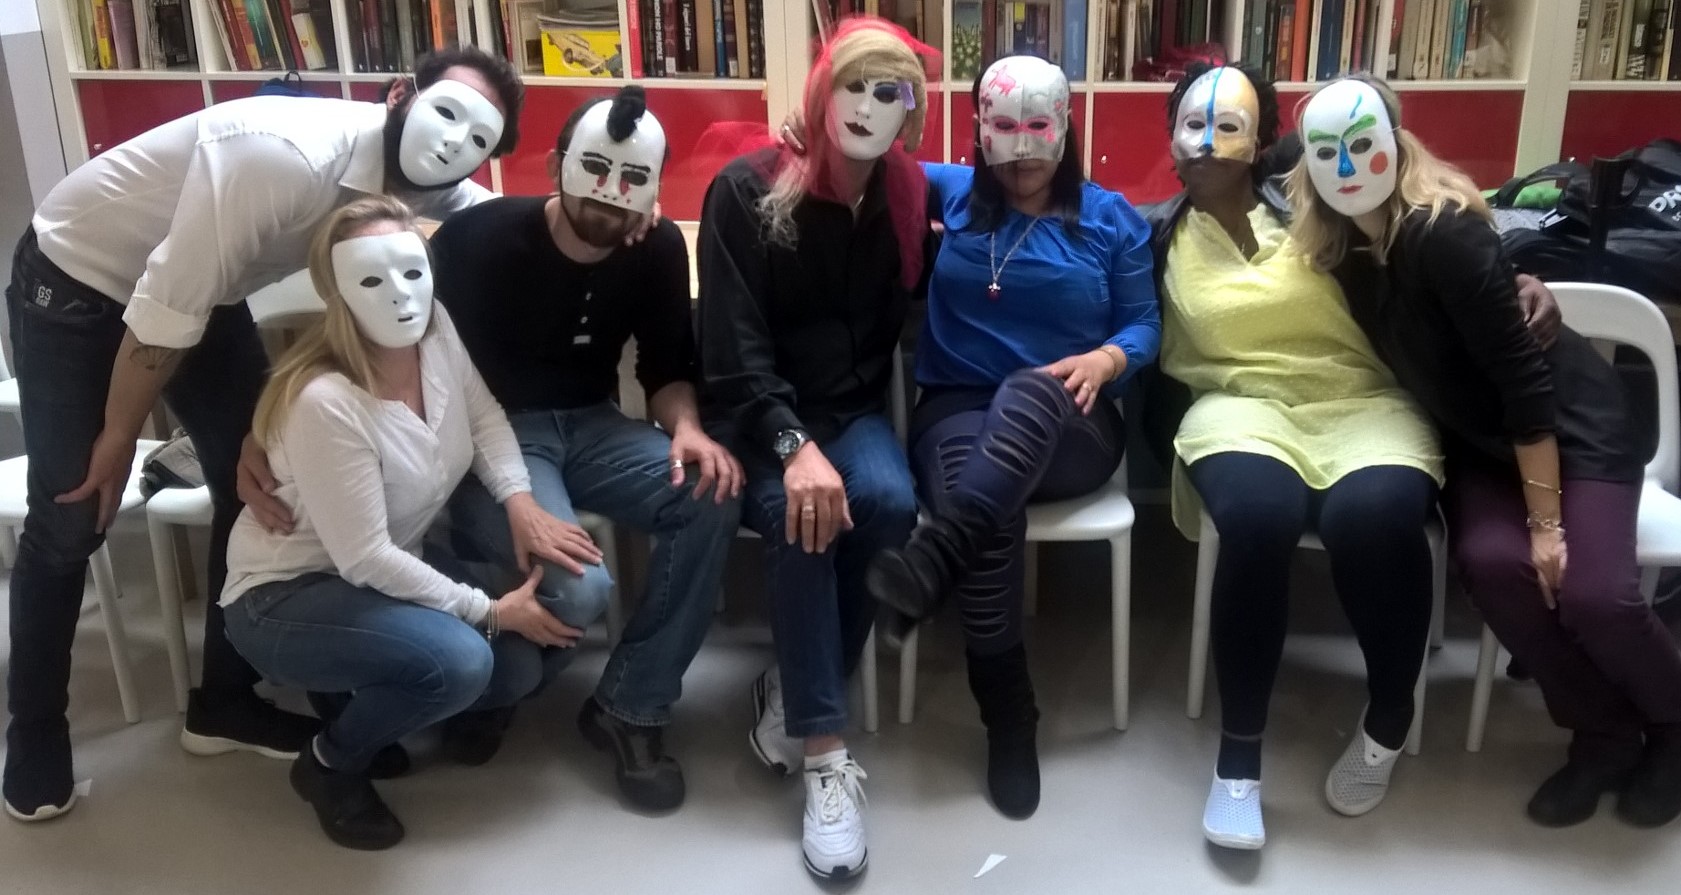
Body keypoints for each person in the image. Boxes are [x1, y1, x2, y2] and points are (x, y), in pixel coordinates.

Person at [3, 46, 524, 822]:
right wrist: (118, 432)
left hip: (202, 291)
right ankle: (35, 733)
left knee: (257, 481)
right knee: (74, 508)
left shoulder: (428, 175)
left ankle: (225, 701)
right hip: (81, 279)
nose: (455, 140)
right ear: (398, 95)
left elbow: (491, 209)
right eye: (446, 112)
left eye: (478, 137)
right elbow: (165, 309)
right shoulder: (284, 157)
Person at [1139, 64, 1564, 849]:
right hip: (1239, 405)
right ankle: (1238, 762)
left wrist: (1520, 278)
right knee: (1256, 519)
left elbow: (1426, 220)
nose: (1205, 143)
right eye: (1190, 126)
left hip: (1366, 399)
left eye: (1227, 126)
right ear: (1169, 138)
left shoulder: (1313, 202)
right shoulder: (1151, 234)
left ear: (1262, 142)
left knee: (1370, 521)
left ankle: (1388, 716)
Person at [1292, 75, 1681, 830]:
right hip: (1478, 441)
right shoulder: (1341, 247)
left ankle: (1670, 725)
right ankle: (1603, 733)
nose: (1344, 166)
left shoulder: (1443, 233)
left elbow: (1526, 385)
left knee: (1593, 592)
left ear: (1396, 141)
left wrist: (1546, 524)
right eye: (1325, 152)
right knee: (1492, 568)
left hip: (1567, 426)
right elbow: (1245, 153)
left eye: (1363, 145)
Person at [221, 196, 585, 850]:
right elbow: (363, 557)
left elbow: (484, 418)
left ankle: (364, 691)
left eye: (412, 270)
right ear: (336, 292)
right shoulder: (326, 400)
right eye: (370, 277)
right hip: (288, 592)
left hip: (385, 570)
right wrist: (490, 610)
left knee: (522, 664)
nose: (400, 293)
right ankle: (329, 762)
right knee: (463, 661)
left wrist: (520, 499)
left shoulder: (434, 329)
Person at [426, 85, 742, 812]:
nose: (610, 199)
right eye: (593, 173)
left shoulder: (654, 245)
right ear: (554, 165)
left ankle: (630, 704)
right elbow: (423, 371)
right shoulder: (476, 242)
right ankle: (493, 665)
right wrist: (510, 494)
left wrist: (688, 429)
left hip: (594, 425)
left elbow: (665, 367)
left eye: (633, 183)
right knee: (581, 589)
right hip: (494, 435)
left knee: (710, 493)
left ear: (654, 189)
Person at [858, 55, 1158, 822]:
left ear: (1065, 130)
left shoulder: (1111, 218)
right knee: (983, 505)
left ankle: (937, 554)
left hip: (1072, 417)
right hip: (956, 407)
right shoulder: (952, 192)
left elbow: (1142, 324)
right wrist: (813, 128)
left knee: (1029, 389)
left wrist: (1106, 358)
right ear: (977, 131)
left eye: (1037, 129)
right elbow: (866, 146)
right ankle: (1008, 716)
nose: (1022, 152)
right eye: (1003, 130)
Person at [696, 17, 931, 881]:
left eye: (889, 93)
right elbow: (731, 350)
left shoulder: (906, 192)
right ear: (819, 91)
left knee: (891, 503)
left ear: (910, 113)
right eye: (850, 85)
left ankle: (793, 687)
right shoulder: (745, 188)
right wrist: (792, 445)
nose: (866, 107)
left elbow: (982, 194)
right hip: (759, 417)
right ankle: (825, 758)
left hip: (850, 411)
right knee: (807, 520)